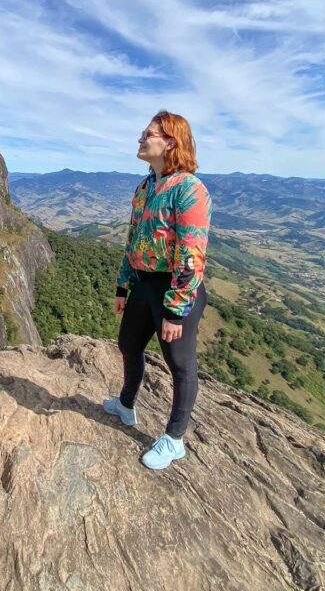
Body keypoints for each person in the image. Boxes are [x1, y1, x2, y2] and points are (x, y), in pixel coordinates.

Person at [103, 110, 212, 470]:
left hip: (174, 289)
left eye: (148, 133)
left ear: (170, 142)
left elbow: (192, 255)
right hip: (144, 284)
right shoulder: (146, 186)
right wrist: (123, 285)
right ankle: (126, 405)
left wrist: (175, 309)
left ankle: (175, 439)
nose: (140, 138)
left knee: (180, 364)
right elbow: (133, 239)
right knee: (128, 344)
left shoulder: (189, 189)